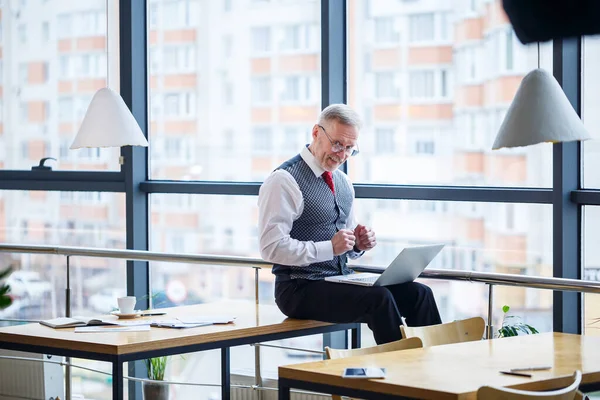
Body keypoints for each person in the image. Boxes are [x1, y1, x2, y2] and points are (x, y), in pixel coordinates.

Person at [257, 104, 441, 344]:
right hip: (298, 288)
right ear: (316, 133)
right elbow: (270, 247)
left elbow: (347, 247)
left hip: (339, 280)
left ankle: (435, 366)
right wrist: (329, 248)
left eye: (349, 148)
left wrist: (358, 245)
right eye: (336, 144)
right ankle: (402, 375)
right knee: (380, 299)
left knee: (419, 293)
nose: (341, 154)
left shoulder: (343, 182)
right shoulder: (284, 180)